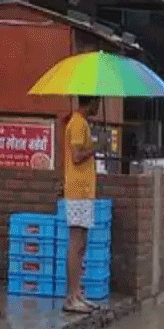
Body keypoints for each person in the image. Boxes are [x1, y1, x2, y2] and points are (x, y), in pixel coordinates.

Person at [63, 95, 102, 314]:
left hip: (83, 191)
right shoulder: (78, 123)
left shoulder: (81, 123)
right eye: (99, 101)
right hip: (78, 191)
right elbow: (77, 156)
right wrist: (97, 147)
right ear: (93, 101)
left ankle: (77, 293)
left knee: (82, 243)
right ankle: (71, 297)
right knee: (76, 242)